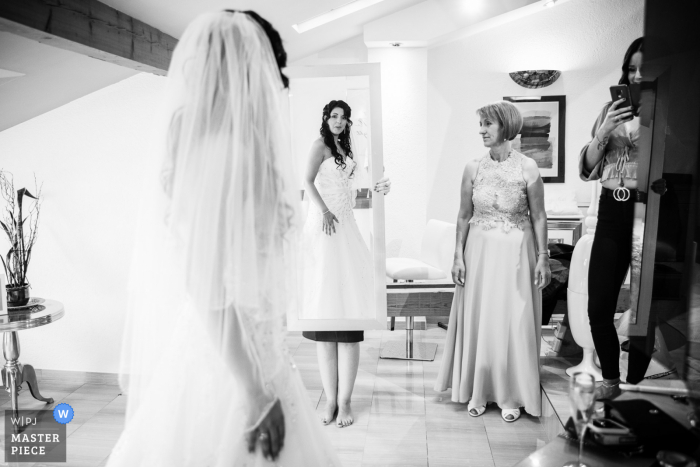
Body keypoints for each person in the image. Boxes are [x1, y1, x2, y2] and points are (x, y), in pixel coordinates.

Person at [107, 11, 342, 466]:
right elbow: (204, 275)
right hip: (236, 355)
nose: (279, 83)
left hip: (251, 345)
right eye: (273, 68)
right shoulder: (231, 152)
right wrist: (254, 391)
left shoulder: (216, 140)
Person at [434, 100, 551, 422]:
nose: (482, 130)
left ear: (506, 126)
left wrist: (543, 257)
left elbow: (540, 216)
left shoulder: (527, 167)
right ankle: (479, 390)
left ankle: (511, 393)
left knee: (513, 321)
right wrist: (457, 255)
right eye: (481, 124)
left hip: (517, 254)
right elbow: (462, 215)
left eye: (488, 124)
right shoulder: (473, 167)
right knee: (481, 319)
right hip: (480, 254)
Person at [579, 37, 665, 399]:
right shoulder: (610, 109)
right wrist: (603, 132)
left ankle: (638, 379)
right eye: (631, 68)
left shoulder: (673, 112)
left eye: (644, 68)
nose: (637, 74)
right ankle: (611, 381)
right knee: (598, 305)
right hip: (612, 209)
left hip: (653, 213)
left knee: (648, 308)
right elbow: (587, 168)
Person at [301, 100, 391, 427]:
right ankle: (329, 402)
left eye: (343, 117)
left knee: (349, 323)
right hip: (325, 230)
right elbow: (307, 181)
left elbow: (362, 182)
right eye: (334, 116)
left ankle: (345, 401)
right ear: (326, 117)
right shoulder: (320, 145)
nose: (339, 121)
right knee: (326, 324)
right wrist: (325, 212)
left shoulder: (346, 146)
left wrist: (382, 185)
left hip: (348, 230)